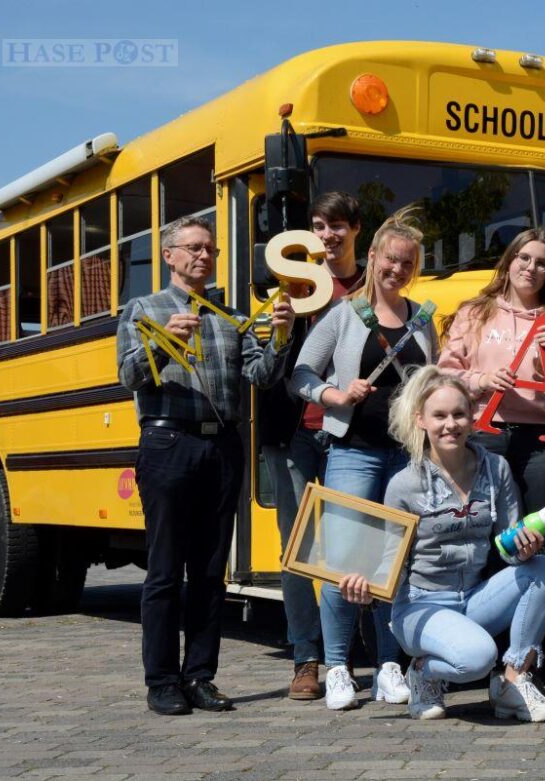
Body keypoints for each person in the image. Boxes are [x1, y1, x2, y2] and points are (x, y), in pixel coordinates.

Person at [117, 216, 295, 715]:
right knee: (166, 568)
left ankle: (199, 676)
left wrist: (280, 337)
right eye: (193, 248)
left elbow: (258, 374)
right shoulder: (144, 309)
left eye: (210, 249)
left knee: (211, 570)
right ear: (168, 255)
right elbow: (129, 375)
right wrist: (161, 338)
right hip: (168, 442)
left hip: (222, 448)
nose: (203, 256)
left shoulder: (228, 314)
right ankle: (161, 681)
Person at [291, 205, 437, 710]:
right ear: (372, 257)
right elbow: (303, 374)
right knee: (345, 561)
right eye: (390, 260)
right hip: (353, 451)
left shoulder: (422, 321)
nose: (397, 270)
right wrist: (335, 395)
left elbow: (430, 384)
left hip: (406, 458)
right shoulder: (344, 314)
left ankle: (389, 666)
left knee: (393, 563)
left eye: (407, 264)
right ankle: (337, 668)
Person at [372, 366, 545, 722]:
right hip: (419, 607)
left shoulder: (496, 468)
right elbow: (390, 563)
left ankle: (513, 681)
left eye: (459, 414)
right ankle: (423, 673)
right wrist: (366, 587)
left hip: (474, 599)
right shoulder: (403, 484)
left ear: (473, 416)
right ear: (421, 420)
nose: (451, 424)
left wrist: (523, 548)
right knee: (477, 657)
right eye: (439, 415)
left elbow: (507, 547)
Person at [259, 192, 363, 701]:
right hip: (296, 430)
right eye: (319, 225)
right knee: (297, 548)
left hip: (357, 433)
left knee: (360, 543)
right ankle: (306, 657)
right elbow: (264, 365)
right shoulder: (289, 285)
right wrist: (278, 329)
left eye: (338, 225)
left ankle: (361, 652)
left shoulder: (373, 286)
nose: (327, 235)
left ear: (356, 230)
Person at [438, 227, 545, 553]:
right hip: (482, 431)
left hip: (543, 439)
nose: (531, 268)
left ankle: (542, 597)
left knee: (543, 530)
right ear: (509, 263)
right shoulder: (474, 313)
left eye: (542, 263)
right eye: (524, 258)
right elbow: (445, 376)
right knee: (484, 525)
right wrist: (482, 380)